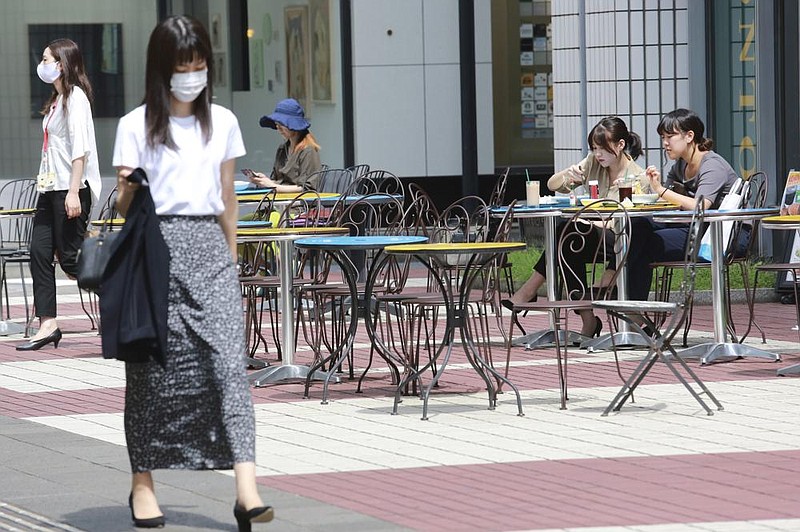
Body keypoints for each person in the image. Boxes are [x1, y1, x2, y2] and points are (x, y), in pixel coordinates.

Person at [111, 16, 272, 530]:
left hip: (209, 248)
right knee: (151, 374)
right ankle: (143, 485)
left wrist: (232, 258)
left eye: (200, 66)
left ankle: (246, 489)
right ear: (162, 70)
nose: (192, 76)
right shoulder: (135, 125)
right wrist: (127, 188)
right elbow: (120, 209)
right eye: (183, 67)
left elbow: (228, 199)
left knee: (229, 367)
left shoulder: (221, 121)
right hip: (154, 252)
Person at [502, 116, 648, 337]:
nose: (598, 154)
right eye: (594, 148)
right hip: (593, 234)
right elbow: (552, 184)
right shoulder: (592, 163)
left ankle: (529, 290)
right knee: (567, 241)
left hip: (621, 239)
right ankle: (588, 319)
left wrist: (588, 221)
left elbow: (630, 220)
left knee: (567, 232)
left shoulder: (637, 176)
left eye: (603, 149)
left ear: (620, 145)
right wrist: (567, 175)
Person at [17, 39, 101, 351]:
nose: (42, 64)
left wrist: (74, 192)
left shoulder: (76, 97)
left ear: (62, 64)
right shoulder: (58, 98)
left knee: (71, 259)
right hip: (50, 187)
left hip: (71, 188)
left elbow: (81, 149)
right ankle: (48, 324)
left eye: (46, 59)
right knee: (38, 251)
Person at [626, 108, 738, 301]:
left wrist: (660, 189)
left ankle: (627, 302)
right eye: (663, 137)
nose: (665, 143)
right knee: (637, 227)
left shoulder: (712, 164)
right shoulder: (680, 165)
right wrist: (650, 193)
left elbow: (700, 206)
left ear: (689, 136)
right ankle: (627, 301)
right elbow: (666, 200)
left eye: (670, 136)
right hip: (695, 227)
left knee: (643, 243)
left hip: (719, 235)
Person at [249, 98, 322, 192]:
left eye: (281, 124)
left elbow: (308, 188)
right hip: (280, 203)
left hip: (299, 204)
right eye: (276, 124)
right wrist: (265, 181)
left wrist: (274, 186)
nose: (278, 128)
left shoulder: (308, 150)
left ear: (294, 126)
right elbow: (279, 181)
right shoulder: (283, 149)